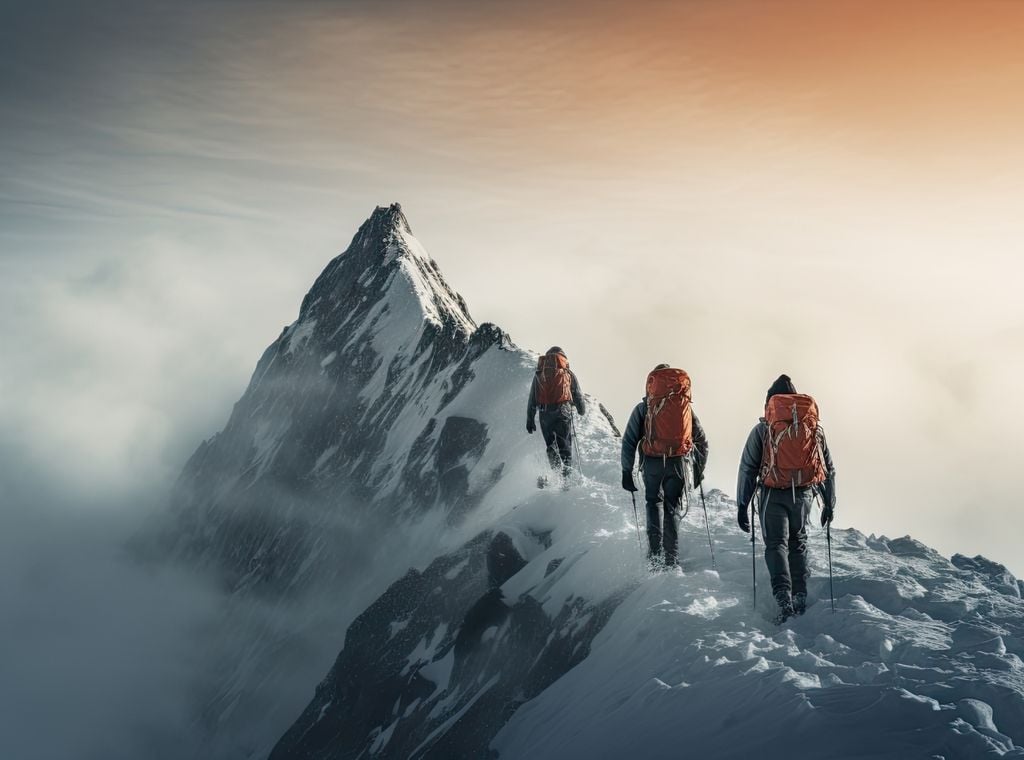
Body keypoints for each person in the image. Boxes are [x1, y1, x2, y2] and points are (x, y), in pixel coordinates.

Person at [735, 374, 837, 623]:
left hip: (772, 494)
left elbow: (748, 467)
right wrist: (829, 503)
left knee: (776, 545)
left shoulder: (762, 429)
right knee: (797, 542)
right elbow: (827, 467)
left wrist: (742, 504)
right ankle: (799, 595)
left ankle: (783, 598)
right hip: (803, 495)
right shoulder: (812, 427)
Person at [621, 364, 709, 571]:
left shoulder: (644, 408)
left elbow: (629, 441)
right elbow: (702, 440)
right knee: (672, 508)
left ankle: (654, 556)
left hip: (651, 463)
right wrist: (698, 470)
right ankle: (671, 558)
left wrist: (626, 471)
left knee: (653, 503)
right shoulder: (685, 408)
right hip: (677, 463)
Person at [526, 347, 586, 485]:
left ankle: (557, 474)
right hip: (563, 411)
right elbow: (577, 394)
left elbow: (532, 398)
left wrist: (530, 419)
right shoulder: (567, 373)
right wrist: (581, 410)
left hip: (544, 413)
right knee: (564, 445)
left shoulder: (540, 374)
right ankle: (566, 479)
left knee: (551, 445)